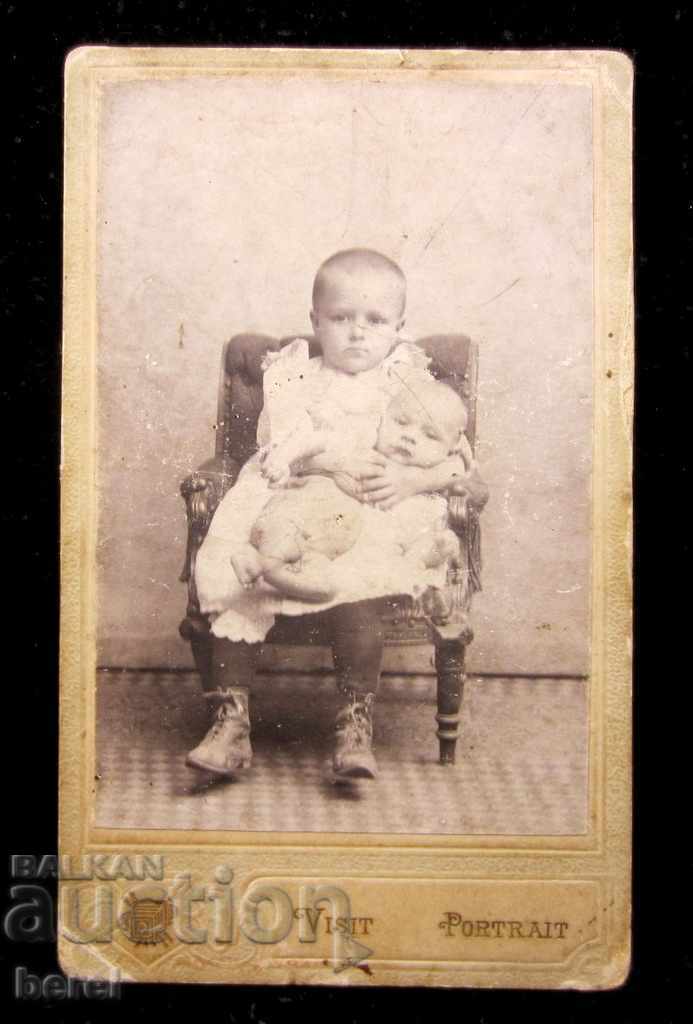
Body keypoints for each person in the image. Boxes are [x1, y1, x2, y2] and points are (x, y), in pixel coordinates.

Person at [189, 248, 488, 780]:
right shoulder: (294, 378)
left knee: (360, 587)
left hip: (367, 507)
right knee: (239, 572)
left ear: (398, 327)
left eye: (374, 321)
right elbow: (280, 444)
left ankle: (354, 725)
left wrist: (412, 478)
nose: (357, 333)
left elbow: (458, 460)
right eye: (341, 318)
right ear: (315, 322)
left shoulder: (410, 384)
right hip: (289, 495)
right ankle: (230, 722)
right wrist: (324, 462)